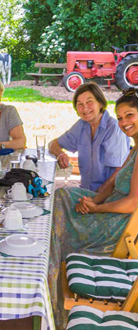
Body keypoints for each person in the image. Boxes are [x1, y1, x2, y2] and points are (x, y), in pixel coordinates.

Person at [48, 91, 138, 329]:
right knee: (61, 197)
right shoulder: (136, 146)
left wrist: (96, 208)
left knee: (59, 219)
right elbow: (113, 181)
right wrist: (93, 200)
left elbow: (131, 203)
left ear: (100, 104)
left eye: (130, 115)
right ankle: (50, 276)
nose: (124, 122)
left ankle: (53, 288)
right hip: (107, 205)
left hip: (118, 223)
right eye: (120, 117)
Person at [48, 82, 129, 192]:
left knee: (59, 196)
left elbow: (118, 172)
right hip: (87, 191)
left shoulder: (113, 129)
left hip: (110, 195)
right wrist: (60, 154)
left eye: (89, 102)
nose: (85, 108)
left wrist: (94, 200)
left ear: (100, 103)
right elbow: (53, 144)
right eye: (80, 104)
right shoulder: (82, 125)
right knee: (56, 195)